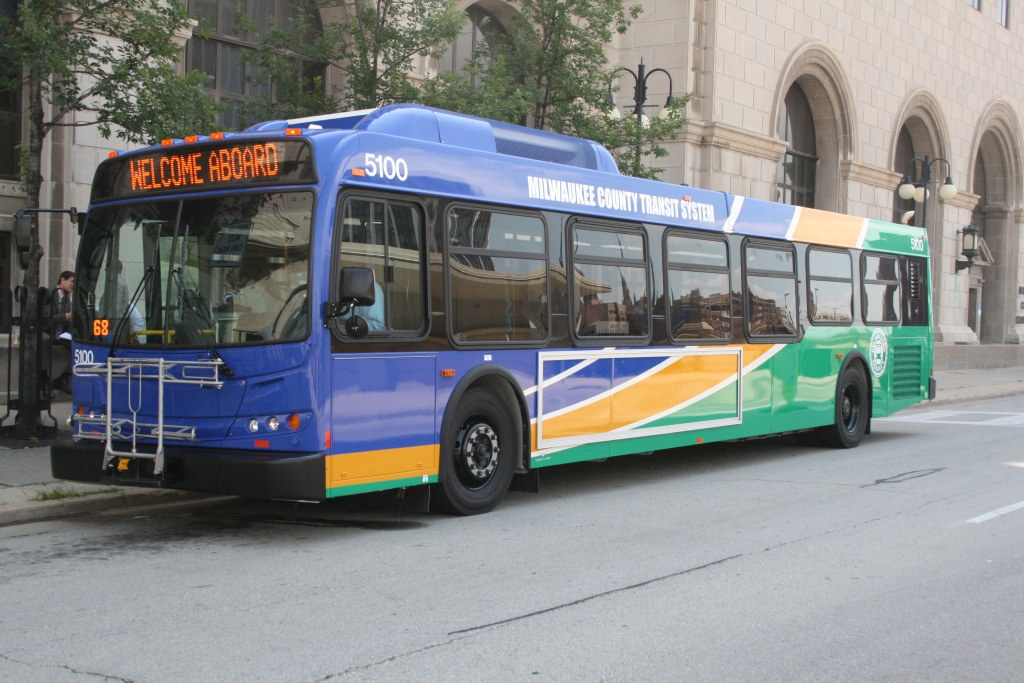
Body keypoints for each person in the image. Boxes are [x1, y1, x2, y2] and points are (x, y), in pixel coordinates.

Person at [50, 271, 74, 393]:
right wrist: (66, 316)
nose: (73, 285)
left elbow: (68, 324)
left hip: (61, 336)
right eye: (71, 281)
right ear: (62, 280)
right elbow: (47, 319)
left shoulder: (68, 302)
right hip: (48, 334)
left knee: (78, 347)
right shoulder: (50, 295)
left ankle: (63, 377)